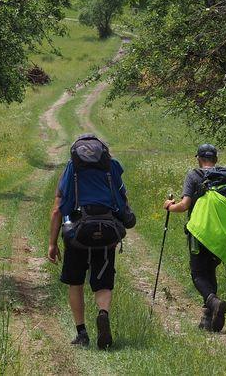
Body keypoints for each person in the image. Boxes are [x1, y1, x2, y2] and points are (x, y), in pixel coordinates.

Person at [47, 134, 135, 350]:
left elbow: (58, 208)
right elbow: (123, 198)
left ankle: (82, 333)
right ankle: (103, 313)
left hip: (76, 233)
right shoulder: (112, 166)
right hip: (105, 233)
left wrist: (52, 243)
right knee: (103, 282)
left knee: (75, 282)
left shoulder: (72, 168)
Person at [163, 144, 226, 333]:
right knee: (210, 270)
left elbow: (185, 205)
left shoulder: (194, 175)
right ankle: (208, 318)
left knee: (197, 273)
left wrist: (170, 206)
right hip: (222, 235)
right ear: (216, 159)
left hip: (200, 232)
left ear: (198, 158)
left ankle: (213, 302)